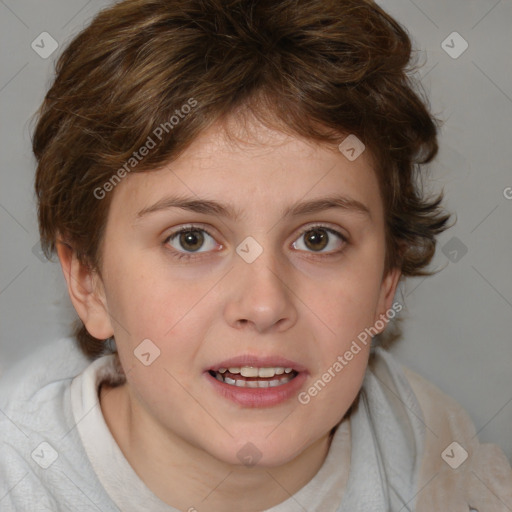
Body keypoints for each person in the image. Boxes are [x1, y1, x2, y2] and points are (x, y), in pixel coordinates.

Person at [0, 0, 511, 510]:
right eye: (191, 239)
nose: (264, 305)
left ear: (385, 283)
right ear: (89, 281)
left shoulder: (450, 478)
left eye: (318, 238)